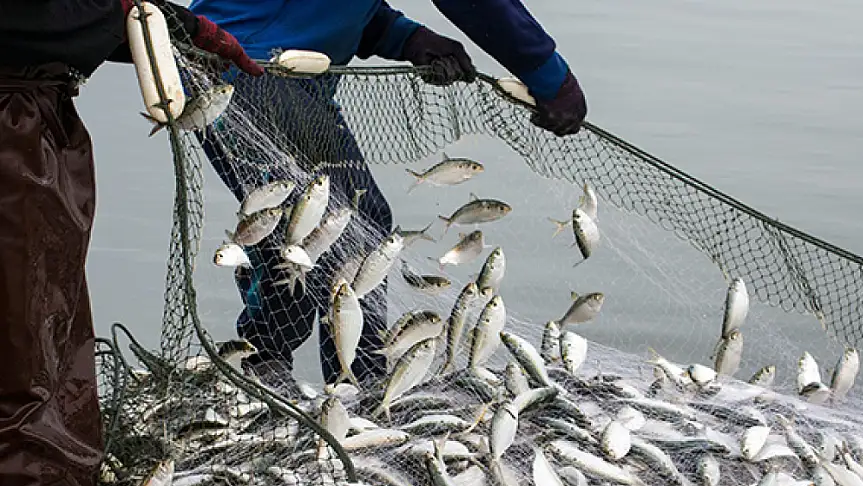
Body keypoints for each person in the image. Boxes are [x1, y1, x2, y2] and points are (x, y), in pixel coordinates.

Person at [189, 0, 588, 398]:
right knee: (325, 224)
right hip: (245, 69)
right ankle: (296, 373)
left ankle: (335, 377)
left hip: (277, 72)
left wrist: (405, 37)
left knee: (352, 221)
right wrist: (549, 75)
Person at [0, 0, 260, 486]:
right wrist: (140, 18)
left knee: (46, 325)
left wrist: (166, 27)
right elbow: (35, 21)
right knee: (23, 346)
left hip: (30, 115)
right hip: (11, 131)